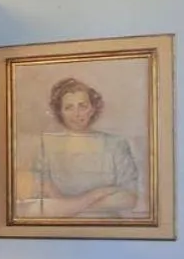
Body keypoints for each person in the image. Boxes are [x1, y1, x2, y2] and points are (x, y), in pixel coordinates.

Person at [27, 76, 141, 218]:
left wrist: (66, 206)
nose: (77, 114)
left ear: (93, 108)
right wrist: (96, 195)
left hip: (108, 227)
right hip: (58, 227)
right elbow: (40, 193)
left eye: (83, 106)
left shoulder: (115, 144)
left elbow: (129, 198)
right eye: (69, 107)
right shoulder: (46, 144)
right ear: (60, 112)